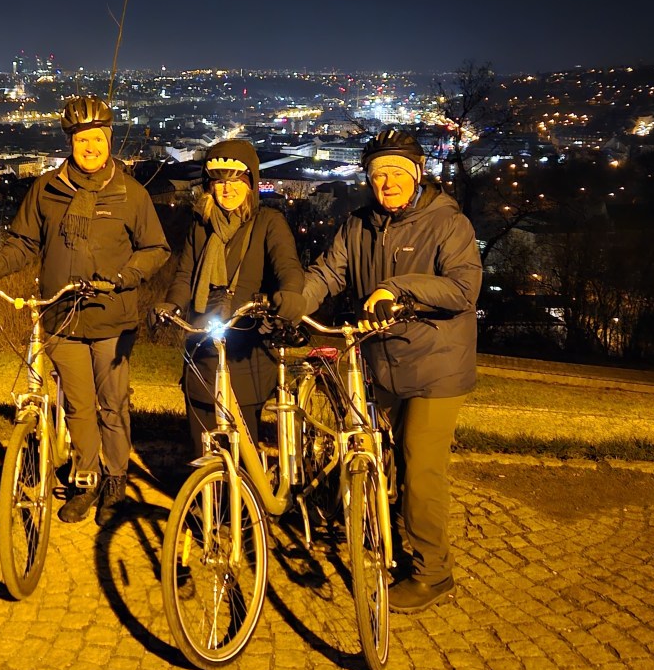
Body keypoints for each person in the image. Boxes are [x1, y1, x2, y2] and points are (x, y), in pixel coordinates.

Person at [0, 95, 169, 525]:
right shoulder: (47, 189)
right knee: (78, 405)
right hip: (62, 317)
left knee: (112, 404)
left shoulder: (129, 192)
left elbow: (156, 248)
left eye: (97, 138)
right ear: (69, 143)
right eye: (81, 140)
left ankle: (116, 480)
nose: (90, 147)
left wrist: (127, 276)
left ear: (108, 140)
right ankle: (87, 478)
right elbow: (23, 243)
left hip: (112, 314)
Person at [297, 129, 482, 613]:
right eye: (379, 174)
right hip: (383, 363)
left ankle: (433, 574)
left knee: (421, 467)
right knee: (391, 462)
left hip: (437, 365)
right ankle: (397, 544)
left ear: (417, 176)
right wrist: (293, 305)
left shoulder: (448, 224)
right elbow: (329, 273)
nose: (387, 183)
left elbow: (464, 290)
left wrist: (397, 289)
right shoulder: (358, 225)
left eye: (397, 173)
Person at [155, 139, 306, 456]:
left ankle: (242, 502)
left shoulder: (269, 223)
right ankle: (206, 501)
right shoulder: (202, 224)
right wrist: (170, 304)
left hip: (246, 345)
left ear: (250, 181)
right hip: (202, 343)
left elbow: (288, 267)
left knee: (242, 444)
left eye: (235, 180)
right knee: (202, 439)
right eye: (219, 181)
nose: (226, 190)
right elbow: (185, 275)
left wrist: (289, 296)